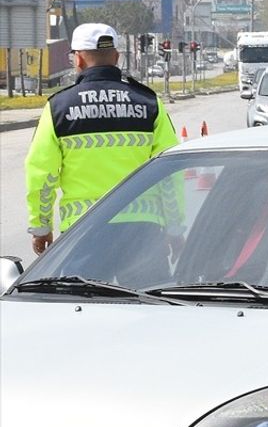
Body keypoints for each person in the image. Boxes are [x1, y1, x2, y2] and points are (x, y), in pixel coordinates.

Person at [25, 23, 180, 257]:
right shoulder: (149, 103)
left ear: (78, 60)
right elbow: (171, 172)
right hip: (142, 230)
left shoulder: (58, 107)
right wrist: (175, 228)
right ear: (117, 57)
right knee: (145, 294)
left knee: (82, 294)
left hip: (82, 230)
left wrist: (41, 227)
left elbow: (41, 173)